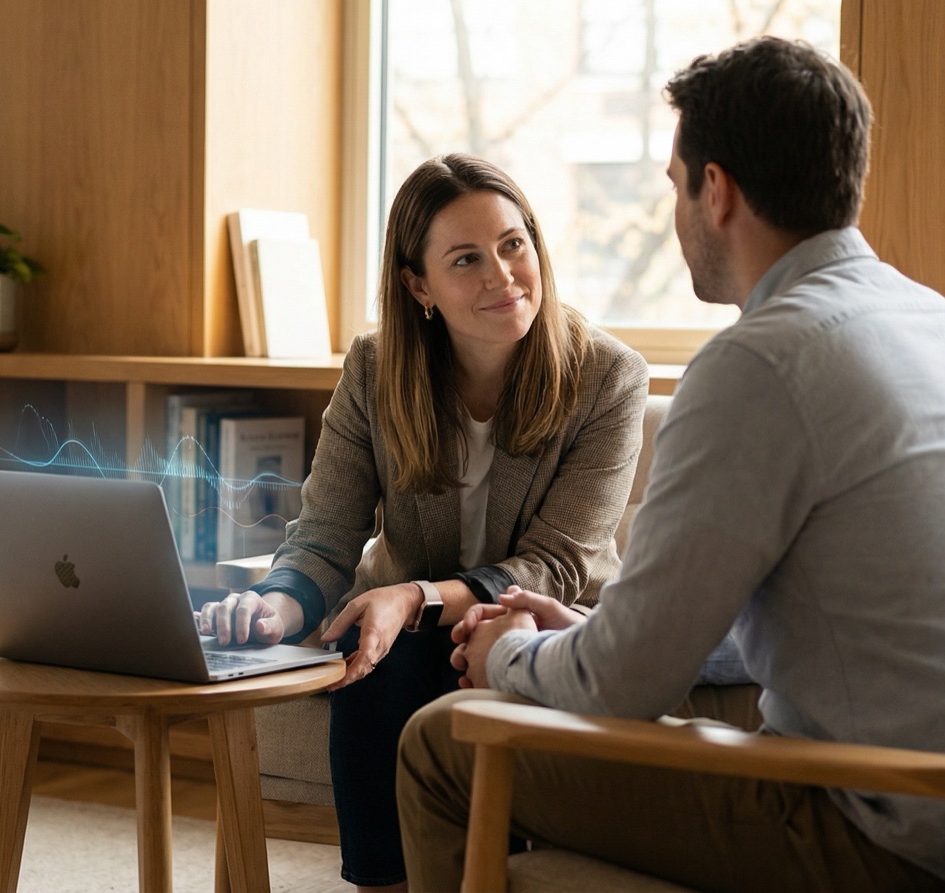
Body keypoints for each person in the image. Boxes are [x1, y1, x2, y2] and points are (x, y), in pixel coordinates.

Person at [396, 37, 945, 892]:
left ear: (714, 190)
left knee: (440, 741)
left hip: (885, 831)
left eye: (675, 186)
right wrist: (585, 637)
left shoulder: (758, 363)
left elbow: (623, 688)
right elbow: (766, 630)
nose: (674, 213)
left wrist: (503, 652)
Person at [198, 153, 648, 891]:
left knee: (402, 647)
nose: (502, 275)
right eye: (466, 259)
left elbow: (555, 563)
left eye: (513, 244)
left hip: (540, 621)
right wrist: (272, 607)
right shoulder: (377, 369)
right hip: (397, 631)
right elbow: (324, 535)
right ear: (418, 284)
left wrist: (415, 596)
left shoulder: (607, 376)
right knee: (373, 664)